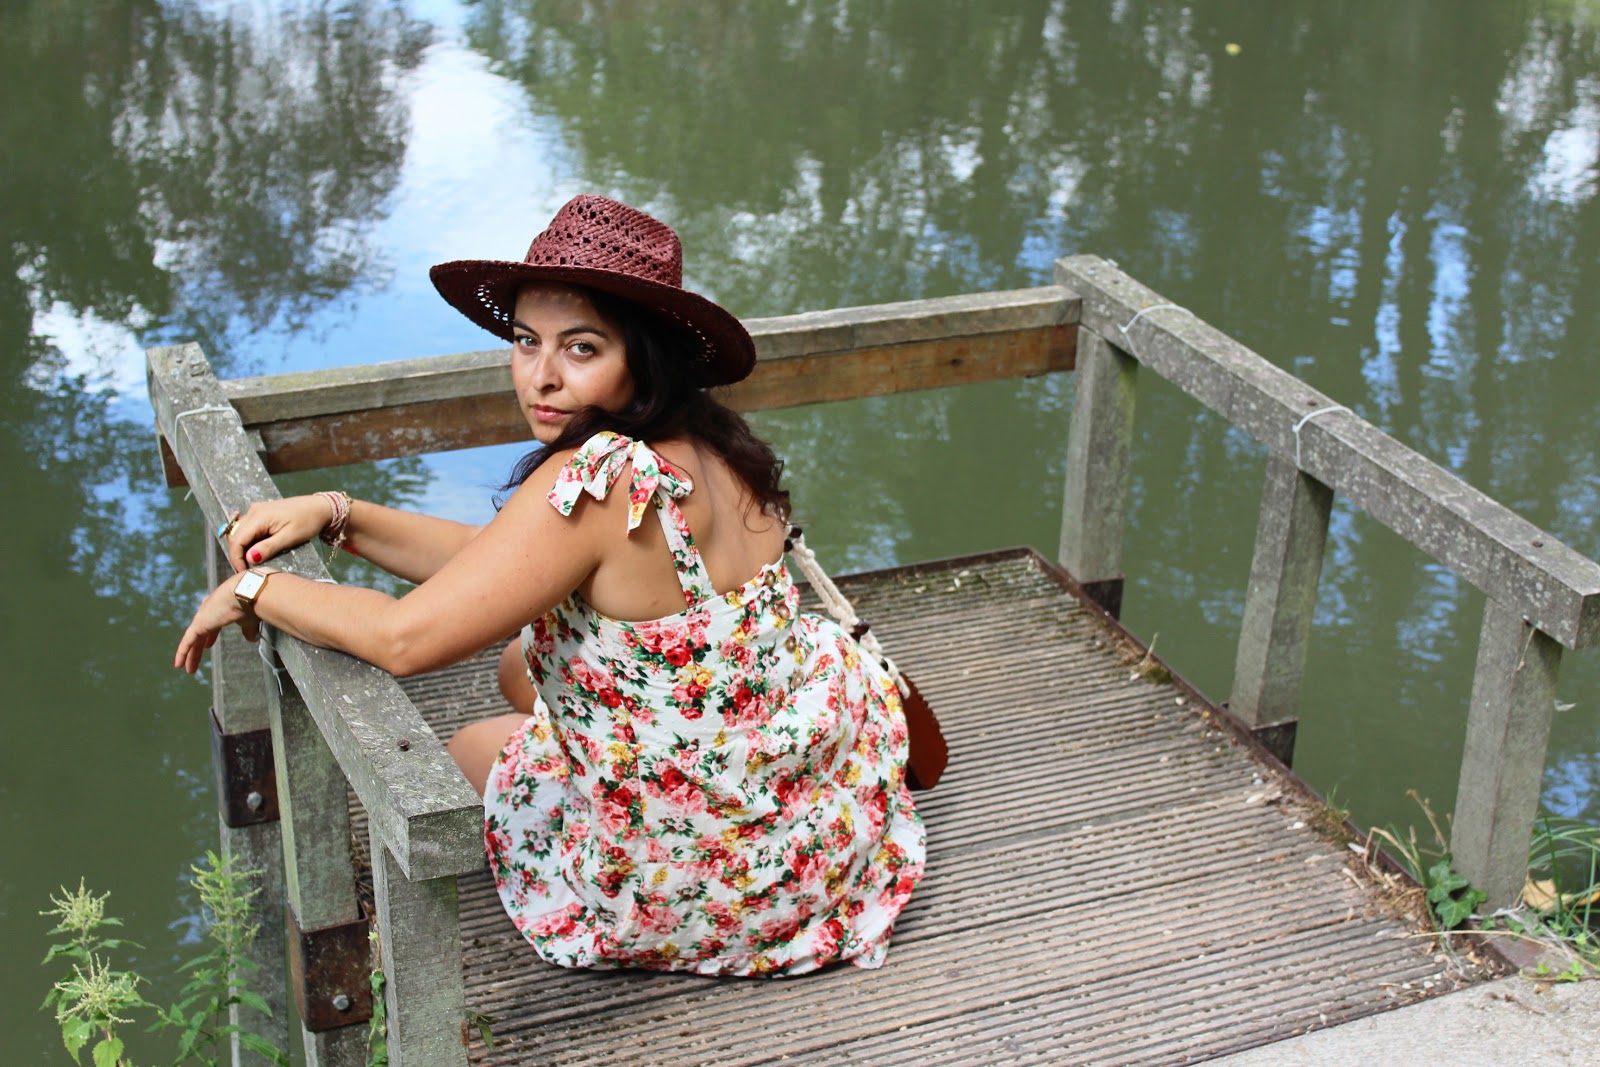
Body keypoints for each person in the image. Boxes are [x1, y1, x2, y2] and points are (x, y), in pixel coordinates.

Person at [174, 194, 925, 977]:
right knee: (518, 663)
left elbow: (403, 638)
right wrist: (341, 514)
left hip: (699, 880)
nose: (542, 376)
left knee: (472, 744)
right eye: (527, 341)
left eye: (581, 347)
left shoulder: (599, 476)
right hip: (800, 831)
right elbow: (506, 567)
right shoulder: (715, 444)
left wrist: (255, 592)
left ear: (644, 355)